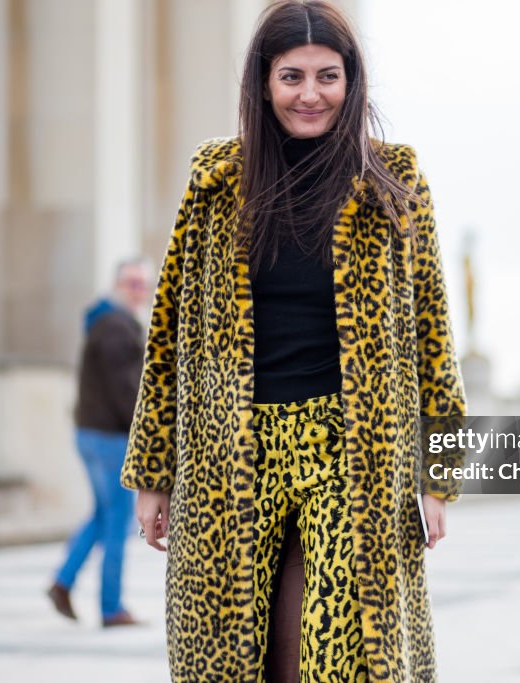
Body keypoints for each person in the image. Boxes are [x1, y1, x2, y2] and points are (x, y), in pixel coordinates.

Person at [120, 2, 466, 681]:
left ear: (352, 81)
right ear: (263, 82)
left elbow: (432, 333)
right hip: (231, 448)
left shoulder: (395, 186)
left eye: (327, 75)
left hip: (353, 450)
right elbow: (167, 336)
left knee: (339, 649)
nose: (310, 94)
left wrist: (440, 477)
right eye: (292, 76)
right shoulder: (216, 183)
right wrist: (152, 474)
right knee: (236, 648)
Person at [47, 259, 153, 628]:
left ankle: (63, 581)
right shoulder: (116, 327)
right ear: (117, 284)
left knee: (103, 514)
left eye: (144, 284)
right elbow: (126, 391)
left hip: (92, 434)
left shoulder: (107, 321)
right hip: (109, 439)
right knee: (118, 520)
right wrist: (146, 435)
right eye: (132, 283)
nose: (139, 291)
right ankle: (111, 608)